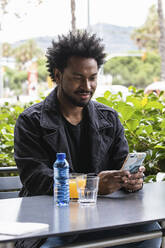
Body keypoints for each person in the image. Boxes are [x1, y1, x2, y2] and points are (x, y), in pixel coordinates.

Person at [14, 31, 161, 248]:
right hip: (52, 222)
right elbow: (37, 180)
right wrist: (91, 185)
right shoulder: (31, 121)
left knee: (150, 233)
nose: (87, 86)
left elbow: (121, 165)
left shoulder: (108, 118)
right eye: (78, 77)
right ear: (58, 75)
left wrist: (131, 180)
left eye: (92, 78)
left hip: (105, 218)